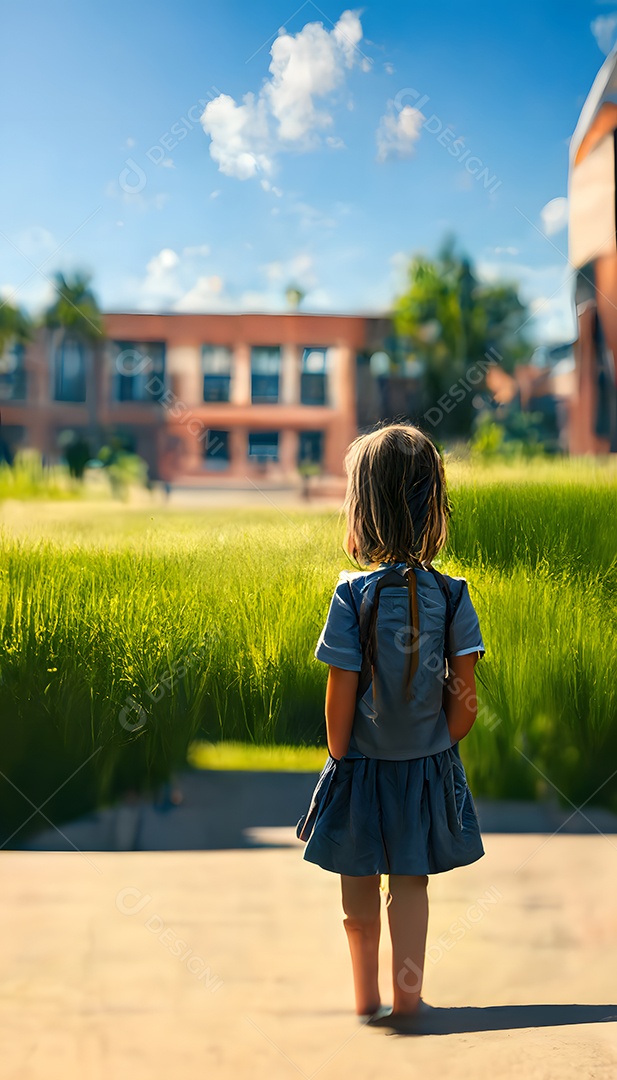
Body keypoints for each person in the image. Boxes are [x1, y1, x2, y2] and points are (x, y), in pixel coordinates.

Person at [296, 422, 486, 1027]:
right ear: (432, 506)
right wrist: (432, 744)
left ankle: (364, 999)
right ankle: (408, 1000)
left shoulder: (350, 596)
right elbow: (466, 701)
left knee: (357, 890)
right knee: (411, 884)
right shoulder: (454, 594)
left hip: (360, 767)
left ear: (363, 508)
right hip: (425, 768)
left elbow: (340, 695)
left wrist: (342, 750)